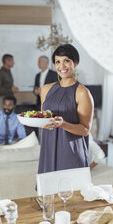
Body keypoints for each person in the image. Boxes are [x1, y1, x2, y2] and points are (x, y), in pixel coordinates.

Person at [38, 44, 94, 174]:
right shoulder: (46, 89)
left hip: (71, 153)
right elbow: (42, 118)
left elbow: (85, 130)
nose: (61, 66)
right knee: (48, 192)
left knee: (71, 193)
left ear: (75, 63)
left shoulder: (82, 92)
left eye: (66, 61)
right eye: (57, 62)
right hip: (48, 149)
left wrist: (63, 124)